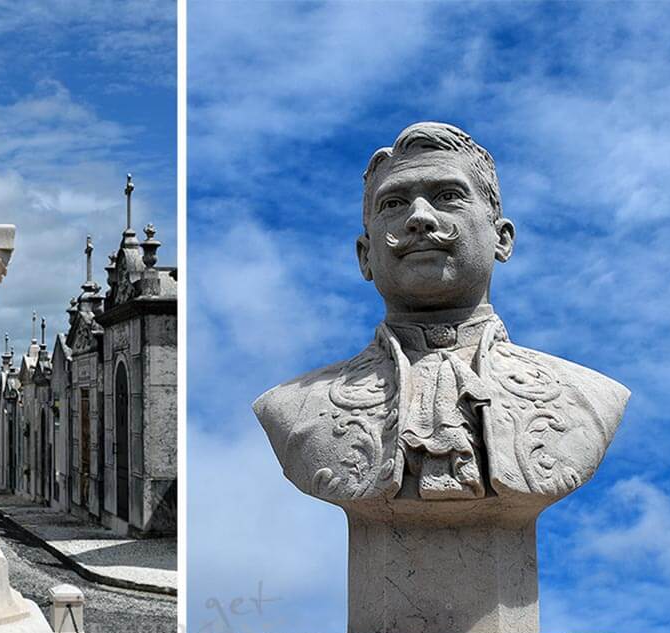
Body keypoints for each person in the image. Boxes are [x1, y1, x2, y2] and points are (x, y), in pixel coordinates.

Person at [254, 122, 628, 505]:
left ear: (502, 239)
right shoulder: (293, 409)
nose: (419, 218)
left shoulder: (587, 396)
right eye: (394, 203)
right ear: (365, 257)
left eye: (448, 196)